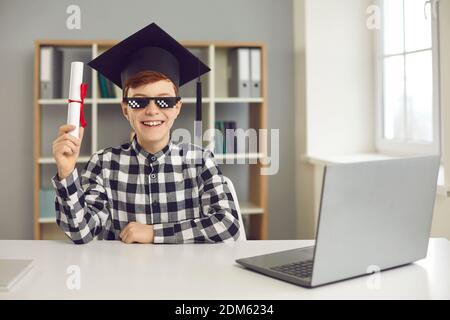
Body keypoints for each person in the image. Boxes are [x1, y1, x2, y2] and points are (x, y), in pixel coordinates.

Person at [51, 22, 240, 244]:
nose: (152, 110)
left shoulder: (201, 162)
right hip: (124, 276)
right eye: (138, 102)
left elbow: (228, 225)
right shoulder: (104, 164)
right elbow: (81, 233)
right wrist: (66, 172)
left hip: (187, 277)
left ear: (177, 107)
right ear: (125, 109)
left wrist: (154, 233)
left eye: (164, 101)